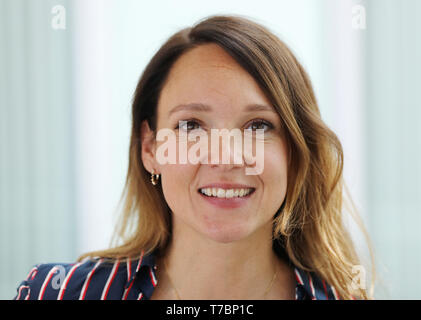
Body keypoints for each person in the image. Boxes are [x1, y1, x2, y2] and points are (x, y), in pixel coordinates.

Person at [14, 14, 374, 300]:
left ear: (294, 153)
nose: (225, 157)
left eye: (258, 126)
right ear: (150, 149)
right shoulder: (54, 293)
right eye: (190, 126)